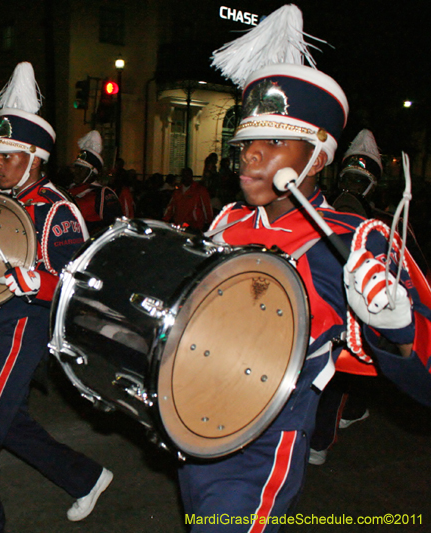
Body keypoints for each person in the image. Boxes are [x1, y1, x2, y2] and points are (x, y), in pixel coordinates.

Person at [182, 5, 431, 529]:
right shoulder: (227, 222)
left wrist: (398, 332)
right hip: (193, 415)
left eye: (274, 143)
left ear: (318, 157)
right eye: (248, 142)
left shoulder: (355, 238)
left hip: (264, 437)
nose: (250, 156)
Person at [0, 62, 112, 533]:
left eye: (6, 156)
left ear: (34, 157)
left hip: (24, 326)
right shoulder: (2, 202)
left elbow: (79, 285)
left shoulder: (56, 211)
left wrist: (35, 282)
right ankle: (84, 477)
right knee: (10, 420)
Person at [310, 129, 384, 465]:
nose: (353, 189)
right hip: (323, 307)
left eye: (359, 182)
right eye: (350, 180)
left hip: (349, 314)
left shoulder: (382, 226)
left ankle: (319, 439)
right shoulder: (319, 212)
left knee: (336, 374)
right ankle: (319, 437)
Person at [68, 130, 123, 234]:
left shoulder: (103, 194)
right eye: (76, 168)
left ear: (92, 172)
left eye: (81, 169)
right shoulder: (69, 191)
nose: (76, 172)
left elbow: (114, 227)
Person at [162, 167, 212, 231]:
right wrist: (165, 220)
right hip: (179, 226)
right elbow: (171, 208)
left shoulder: (200, 190)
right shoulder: (178, 192)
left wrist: (208, 223)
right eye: (184, 175)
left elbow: (207, 207)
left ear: (191, 176)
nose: (186, 177)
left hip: (195, 227)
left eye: (188, 175)